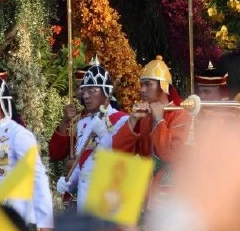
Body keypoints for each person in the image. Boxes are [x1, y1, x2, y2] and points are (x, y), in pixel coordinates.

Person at [0, 61, 54, 231]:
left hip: (15, 217)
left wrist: (45, 221)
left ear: (2, 104)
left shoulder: (19, 135)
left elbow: (37, 178)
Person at [112, 56, 193, 200]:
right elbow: (119, 152)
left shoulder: (181, 113)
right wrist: (133, 120)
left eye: (148, 84)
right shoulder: (144, 115)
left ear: (163, 86)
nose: (142, 90)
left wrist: (159, 120)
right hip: (144, 192)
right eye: (141, 84)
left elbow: (170, 155)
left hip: (172, 193)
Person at [56, 59, 129, 210]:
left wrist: (103, 134)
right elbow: (82, 163)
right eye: (84, 91)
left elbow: (121, 158)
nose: (86, 96)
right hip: (85, 196)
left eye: (92, 90)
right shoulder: (83, 124)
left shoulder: (122, 120)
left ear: (106, 91)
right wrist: (69, 181)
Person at [47, 67, 88, 164]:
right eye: (76, 88)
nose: (77, 93)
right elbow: (55, 154)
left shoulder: (111, 118)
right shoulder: (76, 120)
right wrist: (65, 122)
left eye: (81, 88)